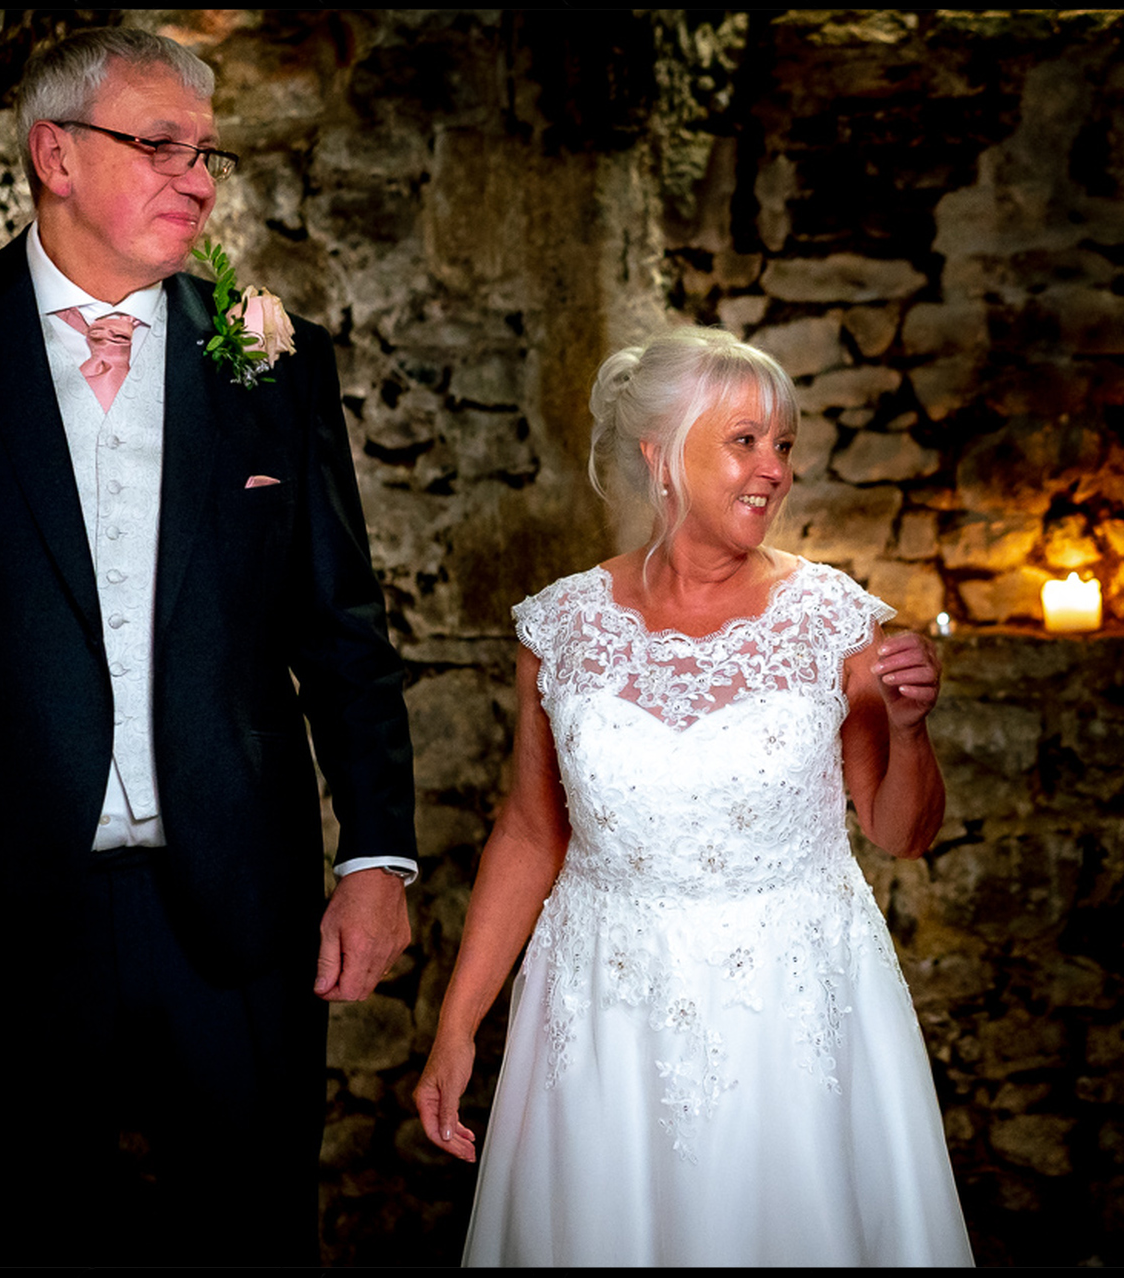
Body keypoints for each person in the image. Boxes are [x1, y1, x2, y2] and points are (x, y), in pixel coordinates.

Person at [0, 28, 418, 1266]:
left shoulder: (275, 357)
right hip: (2, 918)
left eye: (208, 151)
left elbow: (342, 632)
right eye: (162, 145)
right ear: (54, 157)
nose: (199, 177)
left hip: (243, 910)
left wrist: (379, 858)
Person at [409, 327, 974, 1266]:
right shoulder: (560, 625)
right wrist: (457, 1026)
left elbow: (899, 832)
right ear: (658, 455)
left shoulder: (838, 621)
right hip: (602, 1008)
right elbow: (528, 829)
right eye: (745, 440)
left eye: (784, 444)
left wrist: (911, 731)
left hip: (792, 1009)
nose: (773, 470)